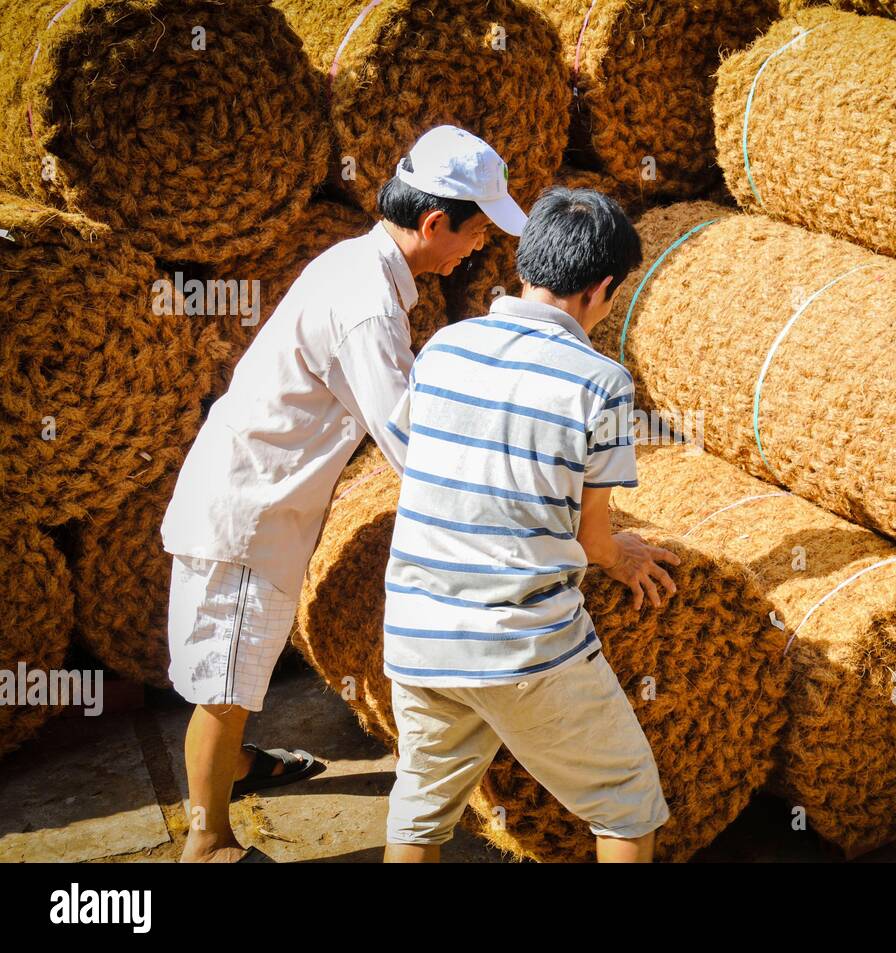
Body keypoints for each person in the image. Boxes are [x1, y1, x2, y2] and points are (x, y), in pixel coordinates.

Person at [159, 126, 528, 863]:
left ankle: (234, 764)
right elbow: (407, 437)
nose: (479, 247)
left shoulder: (359, 264)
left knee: (234, 668)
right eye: (477, 230)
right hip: (247, 515)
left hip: (260, 501)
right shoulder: (367, 303)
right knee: (222, 685)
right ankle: (207, 839)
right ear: (433, 223)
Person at [381, 187, 679, 863]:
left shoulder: (445, 348)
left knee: (421, 805)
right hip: (521, 644)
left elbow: (426, 467)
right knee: (627, 798)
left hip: (417, 634)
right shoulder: (600, 381)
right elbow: (592, 538)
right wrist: (624, 558)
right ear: (601, 289)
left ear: (526, 264)